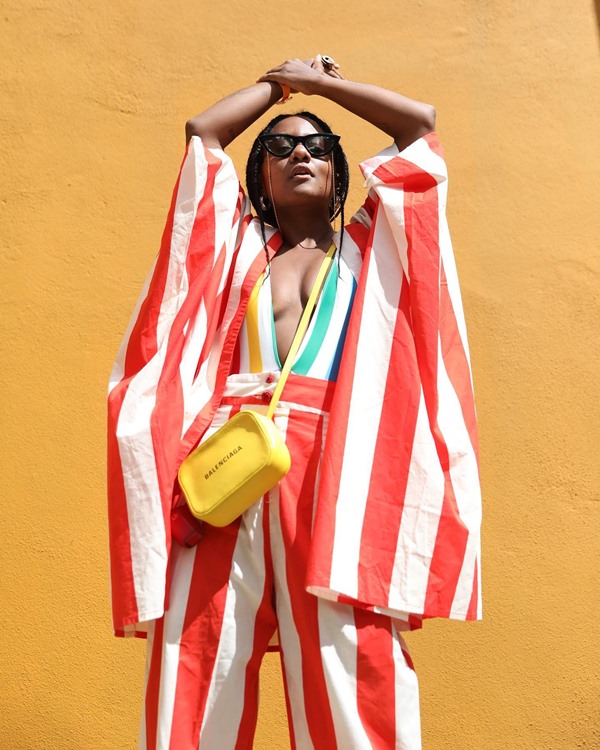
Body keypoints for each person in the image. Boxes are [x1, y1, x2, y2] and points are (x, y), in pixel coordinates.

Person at [108, 56, 482, 750]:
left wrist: (325, 88)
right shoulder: (237, 250)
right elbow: (203, 135)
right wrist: (279, 87)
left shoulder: (371, 251)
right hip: (225, 468)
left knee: (352, 668)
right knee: (194, 664)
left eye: (317, 145)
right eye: (279, 147)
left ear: (341, 172)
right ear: (260, 180)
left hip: (339, 475)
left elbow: (419, 133)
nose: (299, 153)